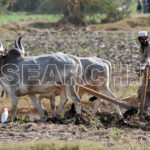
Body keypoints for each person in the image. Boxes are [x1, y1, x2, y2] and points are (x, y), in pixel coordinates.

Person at [137, 31, 150, 114]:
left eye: (146, 38)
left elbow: (149, 59)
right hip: (148, 73)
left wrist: (143, 66)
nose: (144, 40)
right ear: (139, 40)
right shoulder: (141, 48)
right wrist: (139, 71)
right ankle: (145, 110)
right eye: (142, 39)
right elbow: (142, 60)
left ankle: (145, 111)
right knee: (141, 92)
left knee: (144, 91)